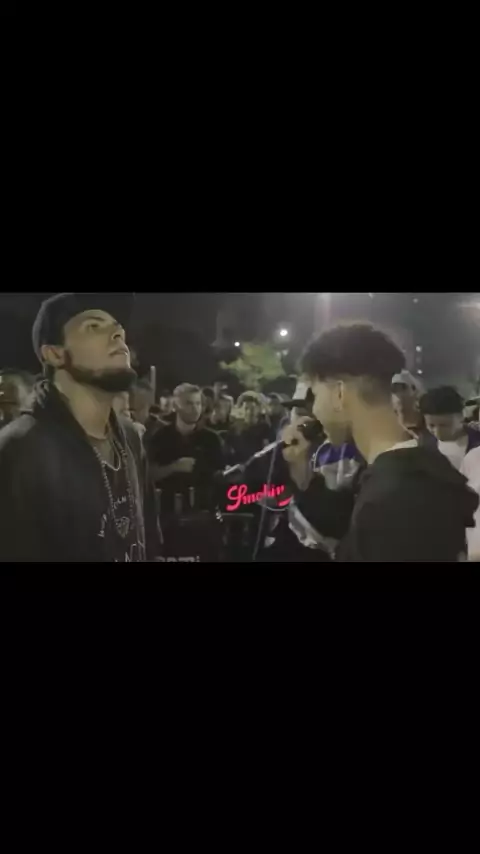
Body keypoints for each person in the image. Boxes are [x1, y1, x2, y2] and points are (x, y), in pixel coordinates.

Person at [0, 293, 162, 562]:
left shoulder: (130, 437)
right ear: (55, 354)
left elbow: (150, 541)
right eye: (94, 326)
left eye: (118, 329)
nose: (118, 334)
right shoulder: (20, 450)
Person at [301, 322, 478, 562]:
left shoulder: (396, 498)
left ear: (339, 394)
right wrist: (302, 477)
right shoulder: (412, 470)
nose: (313, 410)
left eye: (315, 394)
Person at [147, 383, 224, 515]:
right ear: (176, 406)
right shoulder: (160, 437)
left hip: (202, 512)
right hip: (167, 511)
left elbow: (220, 475)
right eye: (189, 403)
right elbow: (148, 475)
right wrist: (174, 467)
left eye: (198, 403)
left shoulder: (212, 439)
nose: (195, 408)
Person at [419, 386, 480, 470]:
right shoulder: (425, 443)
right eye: (431, 425)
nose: (437, 432)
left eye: (444, 425)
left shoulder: (477, 440)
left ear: (461, 416)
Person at [391, 369, 435, 448]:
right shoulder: (395, 407)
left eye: (402, 388)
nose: (399, 392)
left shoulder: (423, 404)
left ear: (413, 388)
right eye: (395, 389)